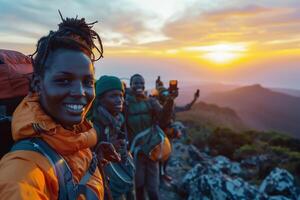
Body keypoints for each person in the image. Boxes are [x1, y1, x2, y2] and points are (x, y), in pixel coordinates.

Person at [0, 13, 105, 199]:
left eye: (88, 82)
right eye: (64, 80)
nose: (80, 91)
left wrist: (94, 160)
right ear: (37, 84)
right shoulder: (21, 172)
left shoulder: (74, 135)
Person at [125, 74, 177, 200]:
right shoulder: (125, 104)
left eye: (141, 83)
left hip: (152, 151)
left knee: (153, 189)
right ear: (130, 85)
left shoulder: (151, 102)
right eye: (135, 83)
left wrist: (170, 100)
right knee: (139, 186)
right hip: (136, 153)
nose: (139, 86)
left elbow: (163, 119)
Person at [89, 76, 135, 200]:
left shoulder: (118, 120)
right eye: (113, 96)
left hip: (119, 177)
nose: (119, 100)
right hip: (102, 182)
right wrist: (107, 149)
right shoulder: (93, 126)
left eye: (121, 96)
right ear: (100, 99)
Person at [155, 77, 200, 182]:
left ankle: (163, 174)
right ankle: (157, 175)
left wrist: (195, 98)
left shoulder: (172, 106)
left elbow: (186, 107)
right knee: (158, 156)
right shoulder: (155, 105)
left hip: (168, 133)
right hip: (157, 133)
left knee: (167, 155)